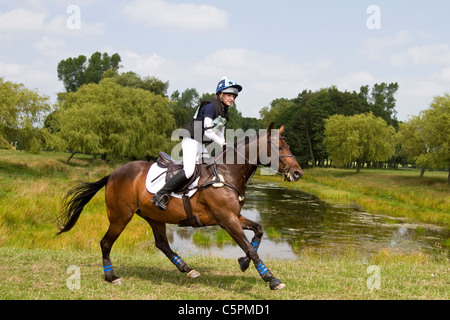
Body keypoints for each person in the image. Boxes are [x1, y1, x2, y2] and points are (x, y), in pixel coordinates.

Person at [151, 77, 242, 210]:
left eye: (234, 96)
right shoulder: (211, 106)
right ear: (220, 94)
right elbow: (209, 131)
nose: (231, 98)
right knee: (189, 171)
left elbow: (220, 132)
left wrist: (224, 144)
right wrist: (222, 143)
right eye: (229, 95)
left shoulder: (224, 110)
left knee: (210, 167)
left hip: (201, 143)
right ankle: (160, 194)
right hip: (191, 141)